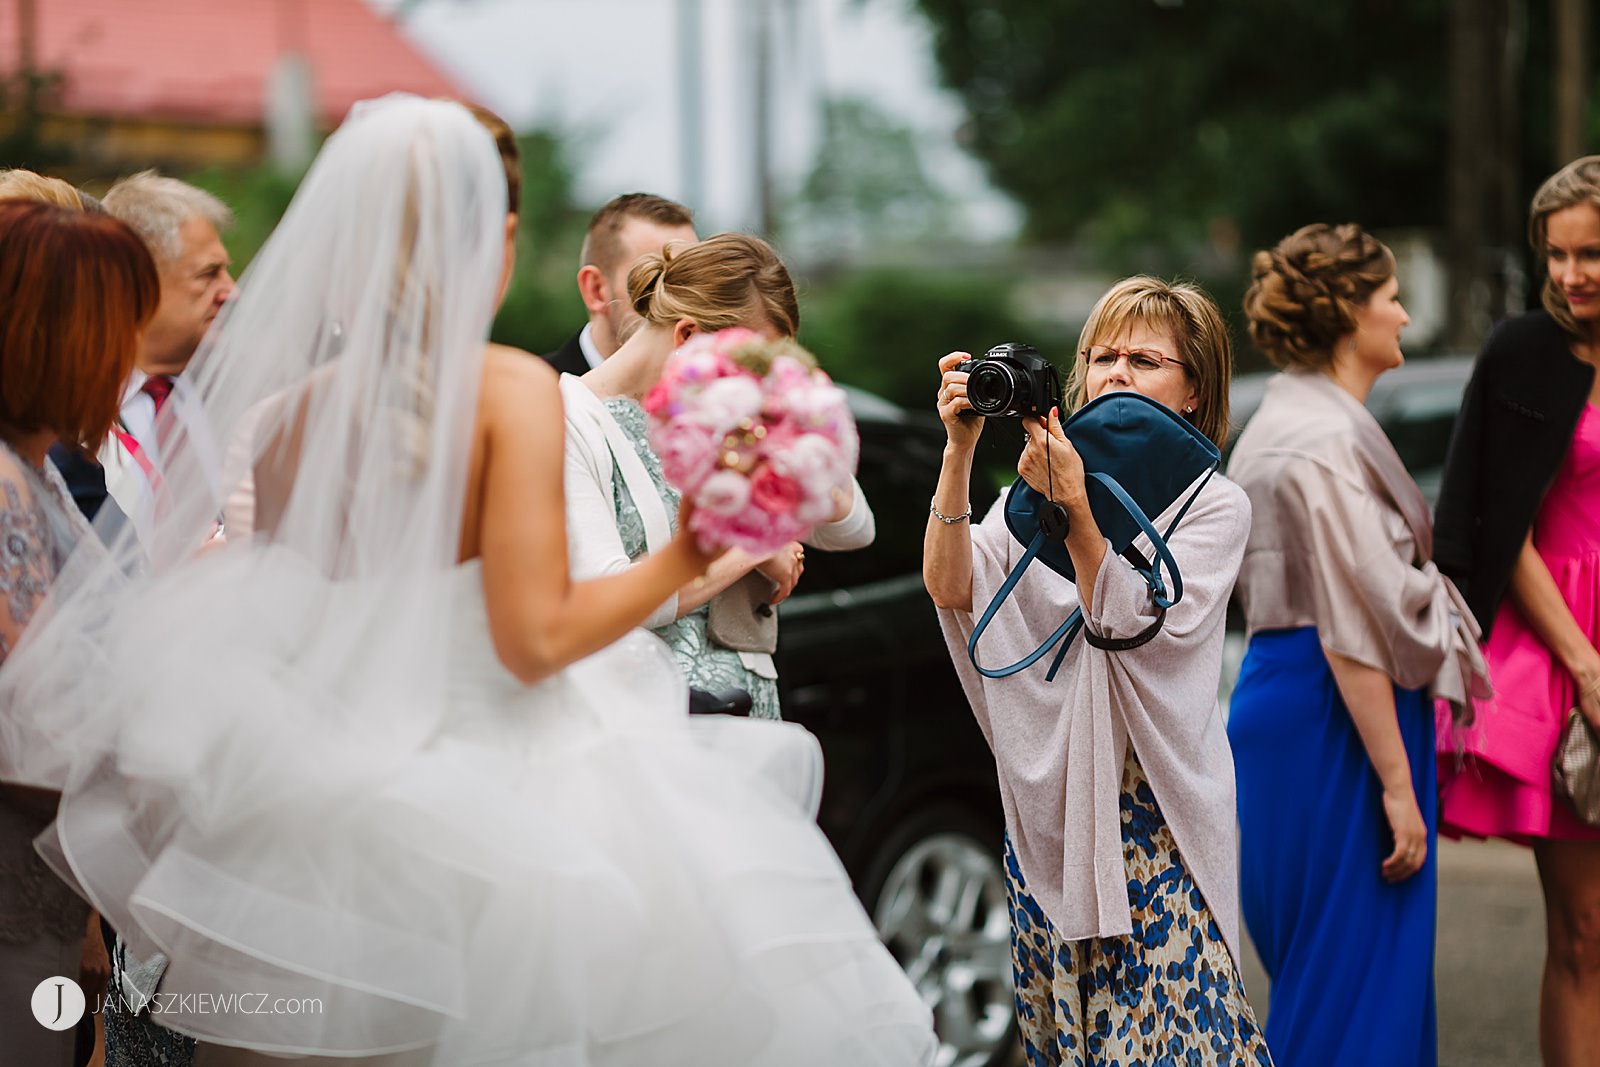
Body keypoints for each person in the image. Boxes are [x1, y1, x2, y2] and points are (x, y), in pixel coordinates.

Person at [0, 95, 933, 1066]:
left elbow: (288, 623)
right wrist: (692, 545)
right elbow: (534, 635)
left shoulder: (289, 422)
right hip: (502, 796)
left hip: (326, 809)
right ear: (493, 239)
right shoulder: (505, 390)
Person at [923, 276, 1273, 1065]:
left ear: (1194, 392)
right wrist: (959, 452)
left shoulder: (1215, 503)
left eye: (1145, 359)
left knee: (1194, 1045)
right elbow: (950, 587)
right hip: (1052, 822)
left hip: (1159, 819)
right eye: (1102, 355)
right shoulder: (1027, 495)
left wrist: (1080, 514)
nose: (1117, 371)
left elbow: (1134, 626)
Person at [1227, 223, 1486, 1067]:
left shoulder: (1280, 416)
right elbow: (1352, 632)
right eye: (1390, 298)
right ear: (1349, 314)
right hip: (1338, 711)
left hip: (1282, 697)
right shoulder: (1326, 440)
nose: (1405, 317)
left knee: (1321, 973)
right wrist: (1399, 787)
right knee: (1356, 990)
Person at [563, 233, 875, 719]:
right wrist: (749, 547)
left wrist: (806, 433)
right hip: (644, 721)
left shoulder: (729, 422)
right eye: (750, 363)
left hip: (751, 713)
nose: (755, 382)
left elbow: (854, 529)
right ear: (688, 337)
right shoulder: (567, 420)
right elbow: (610, 597)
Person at [1433, 157, 1600, 1065]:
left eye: (1594, 253)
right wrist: (1586, 665)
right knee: (1584, 930)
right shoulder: (1521, 351)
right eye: (1559, 253)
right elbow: (1499, 529)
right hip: (1562, 642)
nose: (1571, 273)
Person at [0, 199, 159, 1067]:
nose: (125, 359)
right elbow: (34, 721)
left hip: (51, 883)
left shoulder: (36, 468)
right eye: (114, 329)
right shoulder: (4, 483)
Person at [543, 192, 698, 376]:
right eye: (657, 280)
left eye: (695, 281)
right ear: (596, 290)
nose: (688, 304)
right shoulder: (538, 390)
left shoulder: (709, 387)